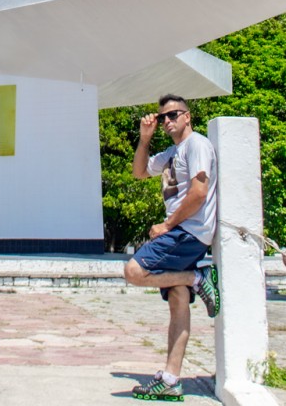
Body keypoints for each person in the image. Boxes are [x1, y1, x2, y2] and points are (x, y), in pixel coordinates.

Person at [122, 94, 221, 402]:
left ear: (188, 116)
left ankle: (198, 279)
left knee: (134, 271)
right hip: (182, 231)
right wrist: (144, 139)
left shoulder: (197, 146)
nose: (167, 120)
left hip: (187, 231)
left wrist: (167, 226)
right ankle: (170, 379)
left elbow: (199, 192)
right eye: (163, 117)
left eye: (173, 114)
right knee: (177, 300)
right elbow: (139, 172)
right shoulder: (171, 152)